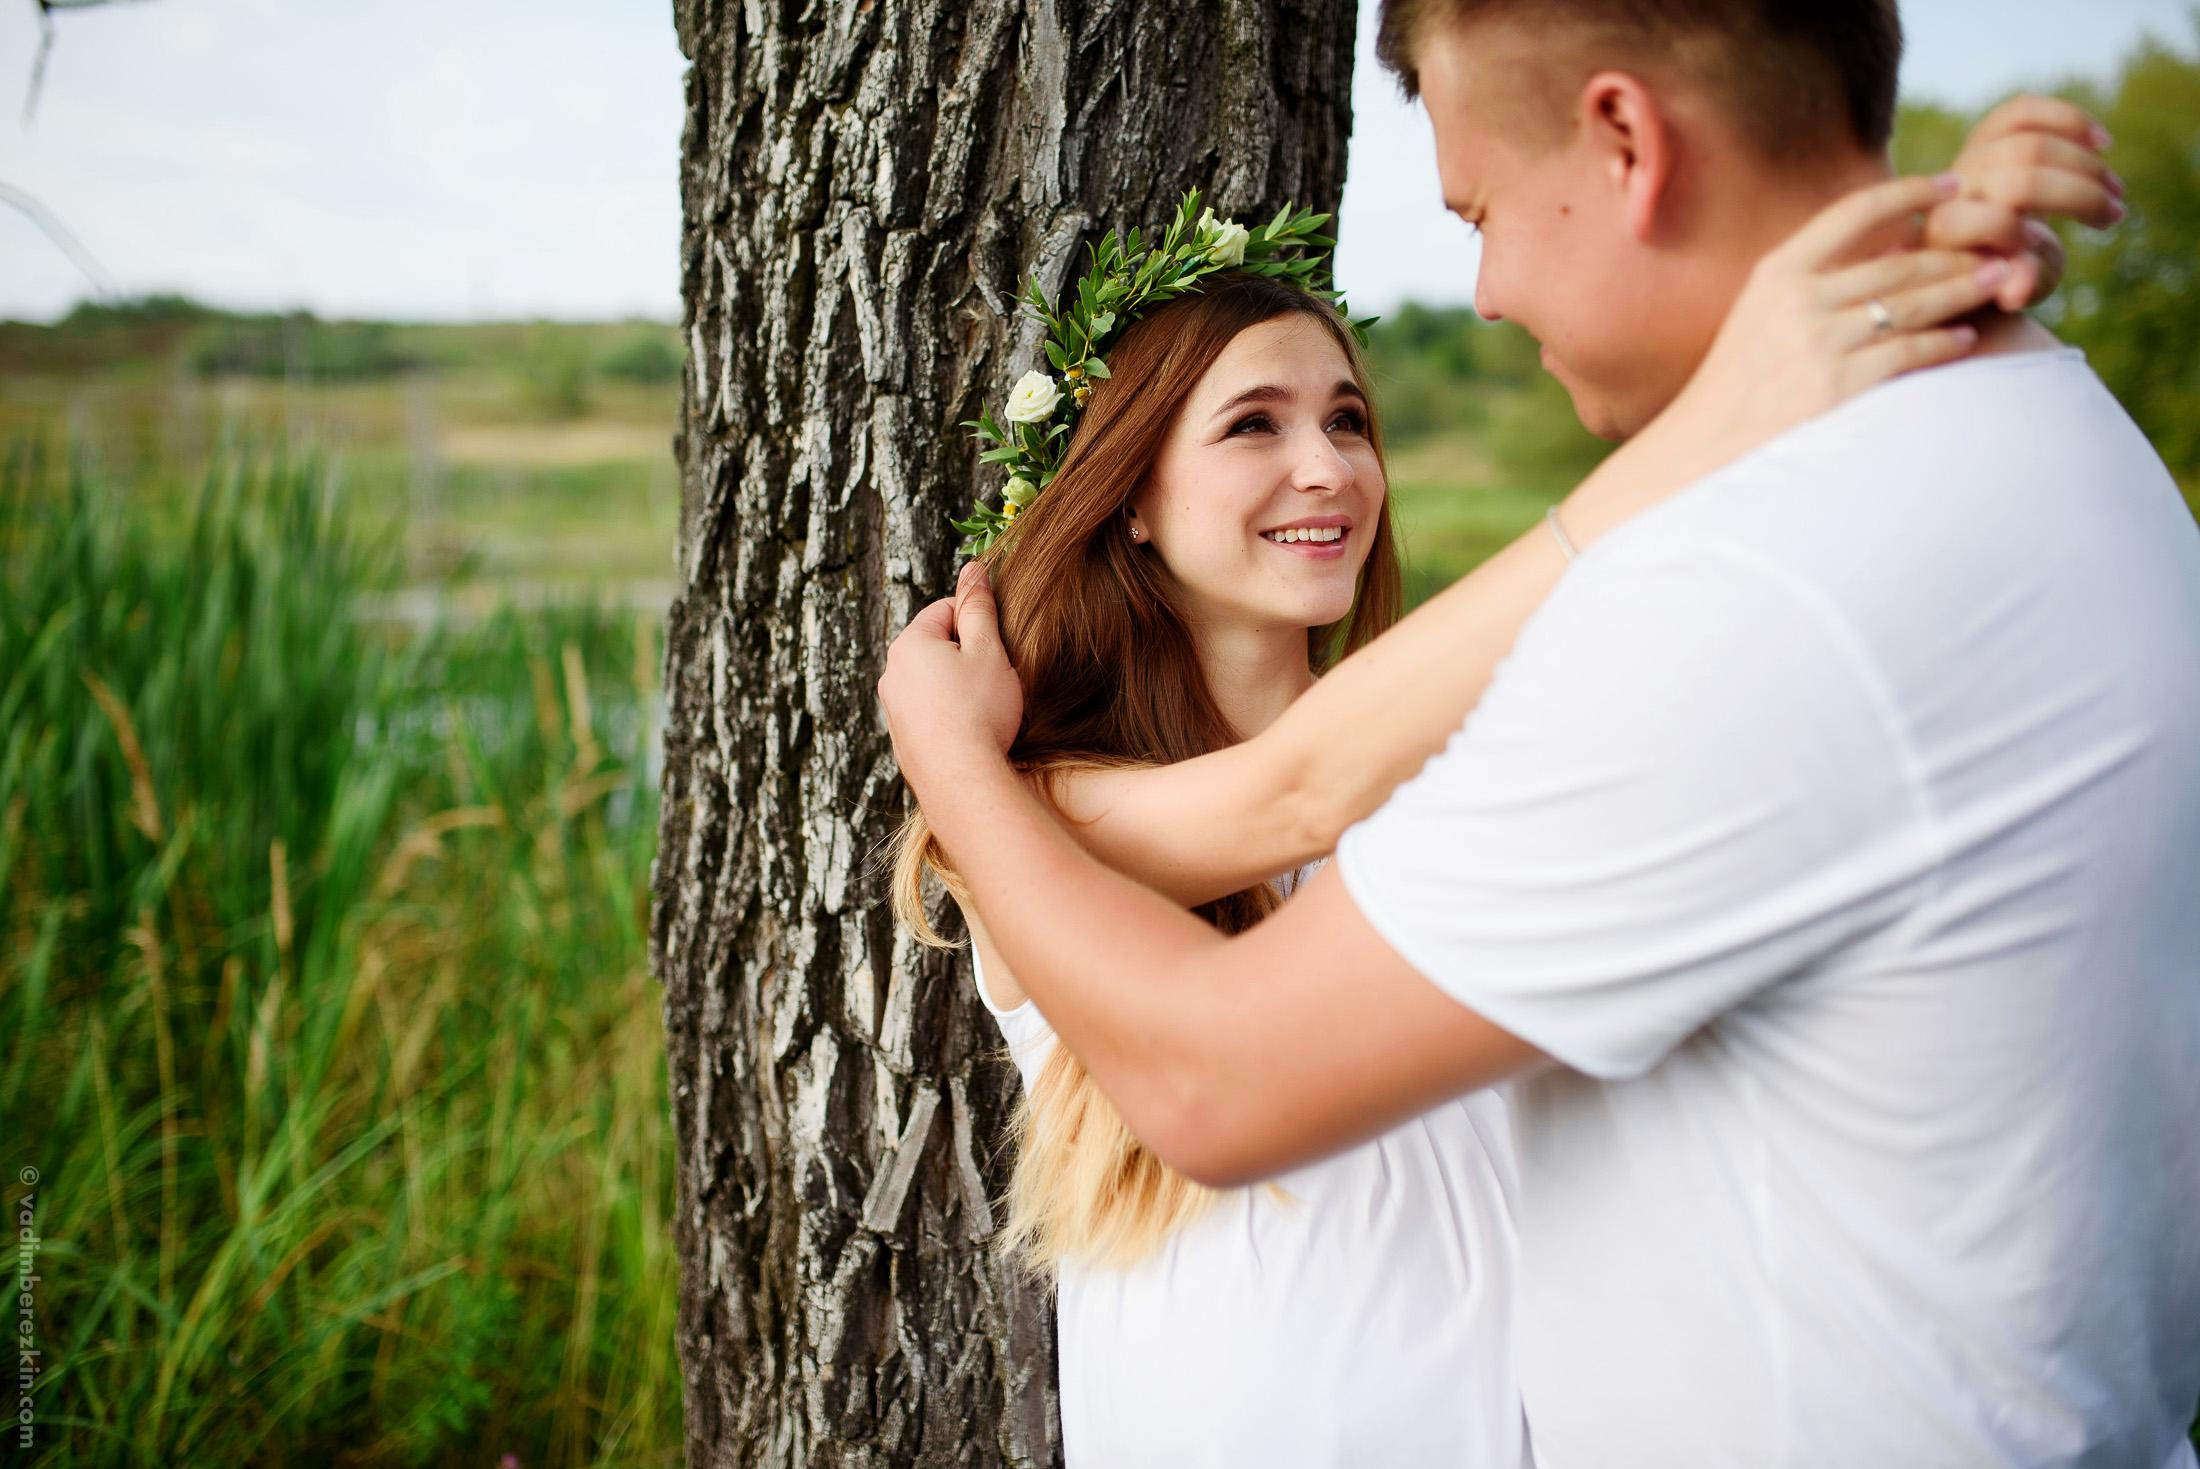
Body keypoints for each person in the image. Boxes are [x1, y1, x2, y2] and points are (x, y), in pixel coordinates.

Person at [879, 1, 2200, 1463]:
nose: (1489, 289)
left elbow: (1319, 782)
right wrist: (952, 759)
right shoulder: (1047, 813)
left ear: (1628, 141)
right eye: (1251, 424)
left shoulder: (1575, 700)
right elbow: (1281, 796)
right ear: (1129, 490)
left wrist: (1826, 324)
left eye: (1350, 419)